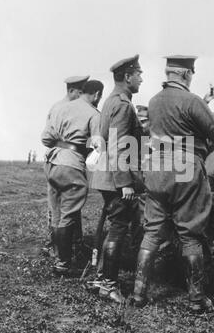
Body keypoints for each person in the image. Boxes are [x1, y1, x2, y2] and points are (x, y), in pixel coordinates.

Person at [131, 55, 214, 313]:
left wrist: (202, 102)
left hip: (156, 167)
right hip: (185, 165)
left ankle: (138, 293)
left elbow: (178, 118)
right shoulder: (192, 101)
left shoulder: (154, 101)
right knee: (190, 233)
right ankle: (196, 299)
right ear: (186, 74)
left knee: (152, 231)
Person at [90, 55, 144, 303]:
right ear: (127, 76)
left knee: (114, 226)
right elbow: (120, 147)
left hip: (106, 175)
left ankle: (101, 278)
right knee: (119, 228)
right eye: (139, 74)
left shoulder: (110, 102)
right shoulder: (122, 105)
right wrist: (125, 183)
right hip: (116, 178)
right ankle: (108, 285)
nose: (141, 79)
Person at [41, 79, 104, 275]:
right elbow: (97, 145)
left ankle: (57, 253)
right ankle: (63, 264)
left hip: (52, 163)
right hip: (72, 165)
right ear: (96, 95)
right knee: (67, 216)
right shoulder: (94, 114)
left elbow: (45, 138)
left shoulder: (62, 107)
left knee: (57, 212)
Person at [42, 76, 89, 257]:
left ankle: (72, 245)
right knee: (57, 207)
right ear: (72, 91)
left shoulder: (67, 107)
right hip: (63, 160)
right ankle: (57, 248)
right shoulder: (60, 108)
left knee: (68, 205)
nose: (82, 95)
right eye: (80, 91)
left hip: (61, 161)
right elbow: (46, 137)